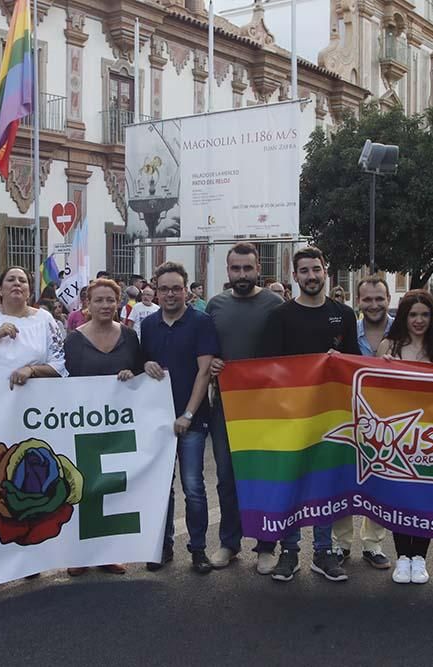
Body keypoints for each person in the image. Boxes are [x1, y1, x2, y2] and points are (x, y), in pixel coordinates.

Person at [261, 246, 360, 583]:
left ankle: (322, 551)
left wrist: (341, 362)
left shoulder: (344, 315)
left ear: (325, 270)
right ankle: (290, 551)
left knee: (325, 483)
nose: (311, 276)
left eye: (316, 269)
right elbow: (268, 368)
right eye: (304, 271)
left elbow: (357, 365)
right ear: (295, 275)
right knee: (291, 482)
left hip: (331, 418)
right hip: (290, 416)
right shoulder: (280, 316)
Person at [204, 243, 284, 573]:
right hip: (226, 406)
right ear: (228, 271)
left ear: (258, 270)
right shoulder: (215, 305)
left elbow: (288, 353)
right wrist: (212, 364)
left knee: (265, 477)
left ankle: (267, 545)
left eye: (247, 268)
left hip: (267, 408)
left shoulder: (275, 304)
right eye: (235, 269)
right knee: (226, 477)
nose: (241, 275)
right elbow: (205, 350)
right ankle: (229, 543)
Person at [141, 261, 220, 574]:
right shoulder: (147, 325)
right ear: (156, 291)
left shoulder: (201, 322)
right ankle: (162, 546)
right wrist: (145, 364)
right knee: (161, 488)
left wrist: (187, 414)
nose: (170, 294)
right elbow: (141, 365)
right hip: (157, 421)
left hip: (192, 420)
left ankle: (198, 549)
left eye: (176, 288)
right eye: (164, 289)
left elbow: (204, 372)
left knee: (194, 488)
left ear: (186, 291)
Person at [63, 278, 143, 576]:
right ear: (88, 304)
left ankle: (110, 553)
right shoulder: (73, 339)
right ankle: (79, 554)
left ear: (119, 302)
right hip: (83, 425)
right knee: (80, 488)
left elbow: (140, 374)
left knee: (114, 489)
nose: (106, 305)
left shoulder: (130, 337)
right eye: (99, 300)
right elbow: (66, 380)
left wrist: (131, 374)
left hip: (120, 425)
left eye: (111, 300)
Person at [375, 289, 433, 585]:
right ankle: (403, 556)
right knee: (400, 497)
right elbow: (373, 386)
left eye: (425, 314)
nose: (419, 320)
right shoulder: (388, 346)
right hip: (398, 435)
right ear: (403, 317)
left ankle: (420, 557)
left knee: (426, 499)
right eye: (413, 314)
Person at [331, 276, 393, 570]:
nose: (373, 305)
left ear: (389, 299)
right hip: (348, 415)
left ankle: (373, 544)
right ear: (358, 301)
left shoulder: (402, 331)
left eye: (379, 299)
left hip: (389, 419)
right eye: (367, 299)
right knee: (343, 478)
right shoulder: (345, 332)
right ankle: (340, 543)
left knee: (379, 479)